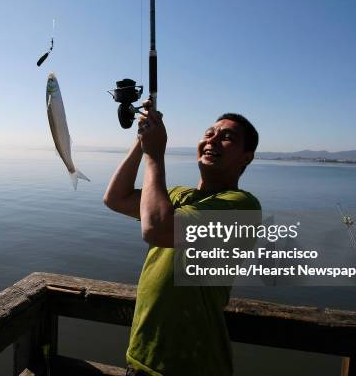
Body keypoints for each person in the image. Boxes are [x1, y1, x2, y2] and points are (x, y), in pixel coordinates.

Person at [103, 100, 261, 376]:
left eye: (227, 138)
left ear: (246, 157)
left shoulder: (241, 206)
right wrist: (142, 141)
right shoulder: (176, 196)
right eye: (209, 133)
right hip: (142, 356)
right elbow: (116, 198)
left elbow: (157, 229)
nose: (213, 140)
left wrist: (154, 155)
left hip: (192, 365)